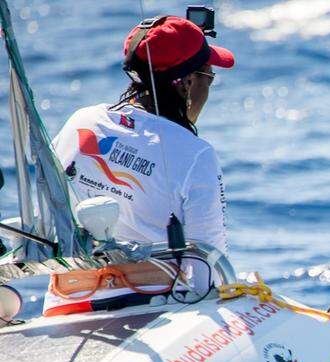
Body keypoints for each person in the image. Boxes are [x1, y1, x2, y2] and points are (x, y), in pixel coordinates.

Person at [45, 15, 234, 315]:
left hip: (66, 304)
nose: (208, 89)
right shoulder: (196, 154)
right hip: (158, 313)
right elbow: (206, 269)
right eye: (207, 77)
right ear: (186, 83)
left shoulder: (81, 123)